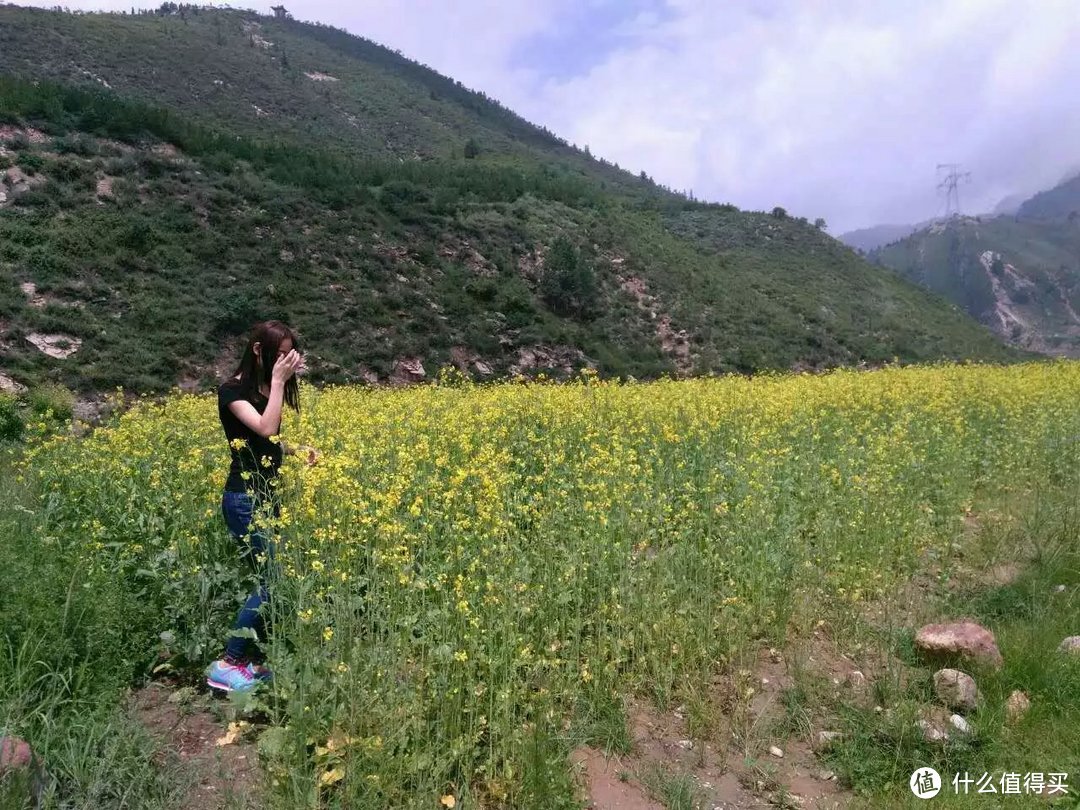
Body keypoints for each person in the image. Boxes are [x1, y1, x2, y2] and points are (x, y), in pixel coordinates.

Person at [205, 320, 317, 693]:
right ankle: (227, 663)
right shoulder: (231, 391)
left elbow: (268, 444)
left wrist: (298, 452)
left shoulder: (260, 389)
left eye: (289, 353)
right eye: (280, 353)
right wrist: (280, 383)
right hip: (243, 500)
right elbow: (266, 428)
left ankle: (249, 659)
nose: (285, 360)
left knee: (271, 578)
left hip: (266, 498)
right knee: (269, 580)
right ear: (258, 350)